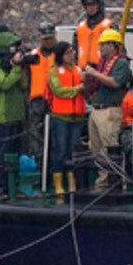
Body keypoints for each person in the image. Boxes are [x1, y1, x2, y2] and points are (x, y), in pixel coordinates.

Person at [83, 28, 133, 190]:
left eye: (104, 44)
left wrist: (95, 74)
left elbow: (115, 82)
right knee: (97, 148)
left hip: (110, 110)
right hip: (96, 109)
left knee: (110, 146)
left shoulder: (121, 63)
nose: (100, 48)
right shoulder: (102, 64)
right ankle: (103, 179)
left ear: (113, 46)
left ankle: (116, 181)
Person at [0, 31, 30, 198]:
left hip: (17, 115)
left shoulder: (13, 68)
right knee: (0, 153)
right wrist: (16, 69)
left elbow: (23, 87)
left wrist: (22, 72)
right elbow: (5, 84)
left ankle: (13, 185)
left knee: (15, 154)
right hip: (3, 116)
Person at [46, 41, 86, 194]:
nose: (72, 55)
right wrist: (77, 89)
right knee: (61, 150)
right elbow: (58, 90)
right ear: (61, 56)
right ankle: (58, 183)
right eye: (68, 53)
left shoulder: (78, 70)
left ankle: (72, 181)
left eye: (72, 52)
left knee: (73, 151)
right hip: (61, 116)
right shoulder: (54, 71)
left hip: (76, 117)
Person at [25, 22, 57, 168]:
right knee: (36, 137)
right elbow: (25, 79)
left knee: (55, 138)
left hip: (56, 101)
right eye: (45, 38)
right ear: (40, 38)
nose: (48, 41)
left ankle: (55, 170)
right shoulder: (32, 56)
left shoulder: (61, 55)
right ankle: (41, 170)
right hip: (36, 101)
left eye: (50, 38)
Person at [75, 0, 113, 70]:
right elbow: (74, 50)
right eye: (88, 5)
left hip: (103, 71)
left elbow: (119, 51)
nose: (90, 8)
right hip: (83, 70)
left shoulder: (109, 26)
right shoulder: (80, 27)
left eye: (93, 5)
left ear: (99, 6)